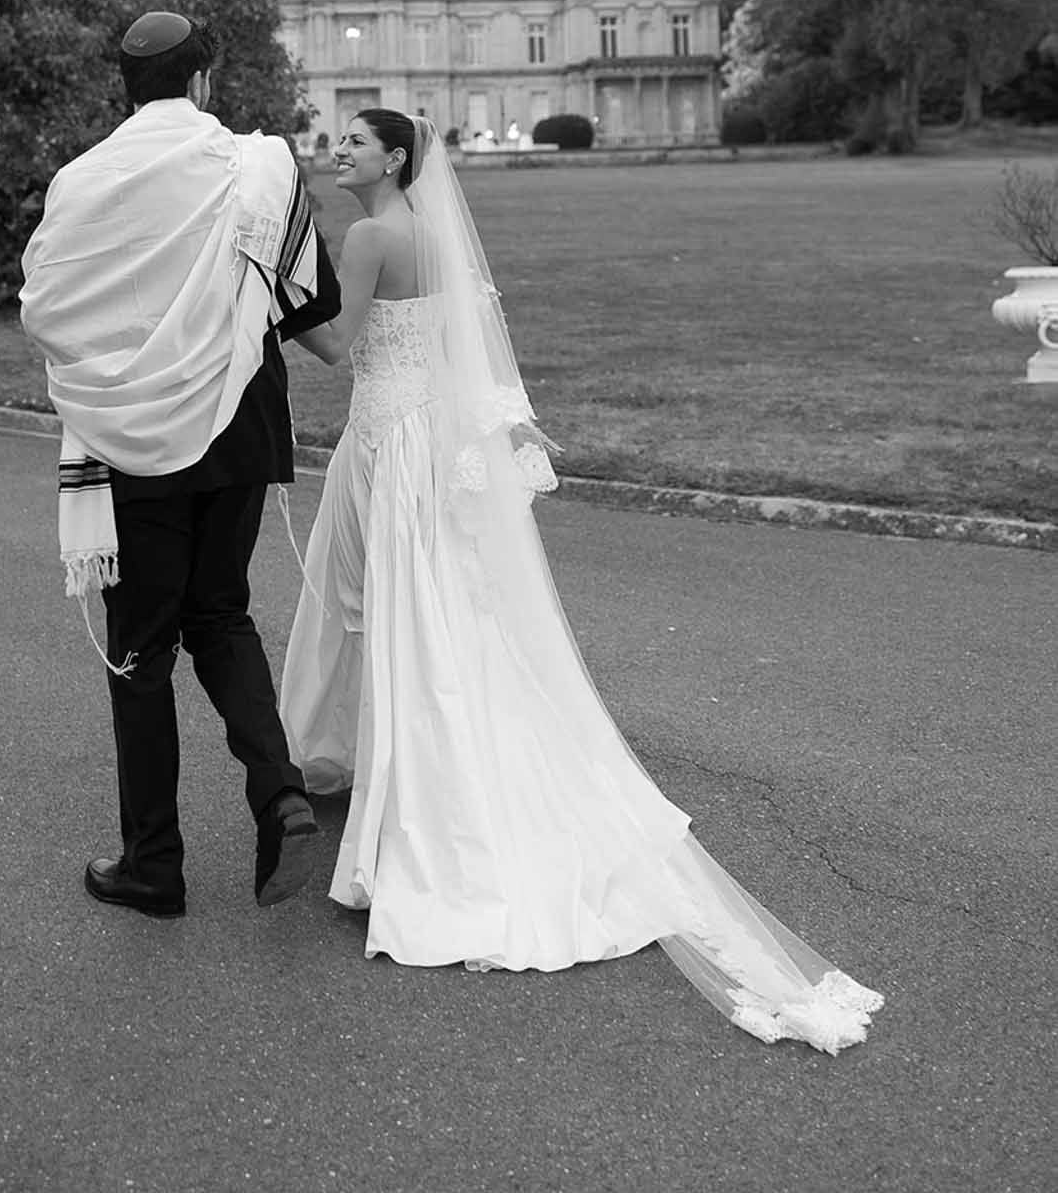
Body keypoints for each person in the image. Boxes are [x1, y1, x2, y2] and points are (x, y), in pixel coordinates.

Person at [280, 110, 884, 1052]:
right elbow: (461, 348)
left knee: (384, 607)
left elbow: (336, 347)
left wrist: (281, 295)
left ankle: (403, 781)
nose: (340, 149)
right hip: (429, 439)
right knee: (440, 606)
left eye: (357, 140)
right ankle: (393, 754)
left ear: (394, 159)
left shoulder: (366, 237)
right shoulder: (434, 234)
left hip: (388, 444)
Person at [20, 11, 341, 919]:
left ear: (127, 88)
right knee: (222, 614)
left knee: (141, 647)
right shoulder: (258, 164)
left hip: (130, 434)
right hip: (237, 419)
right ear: (202, 82)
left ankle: (154, 863)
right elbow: (307, 295)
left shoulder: (82, 181)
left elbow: (44, 306)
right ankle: (279, 796)